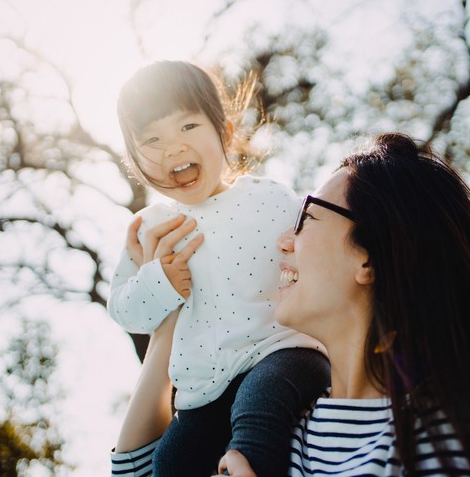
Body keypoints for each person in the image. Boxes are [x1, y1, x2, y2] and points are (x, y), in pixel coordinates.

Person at [214, 132, 470, 476]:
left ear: (369, 258)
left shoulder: (448, 417)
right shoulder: (278, 426)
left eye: (306, 217)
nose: (284, 243)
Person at [107, 60, 329, 477]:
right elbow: (123, 309)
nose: (173, 147)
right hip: (202, 391)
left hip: (282, 354)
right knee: (170, 462)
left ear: (225, 134)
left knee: (258, 411)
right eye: (152, 139)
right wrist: (158, 283)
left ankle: (249, 467)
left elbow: (321, 251)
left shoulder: (269, 198)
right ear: (136, 163)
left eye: (188, 127)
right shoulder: (150, 227)